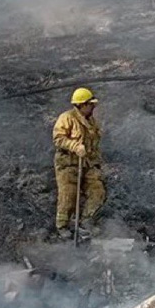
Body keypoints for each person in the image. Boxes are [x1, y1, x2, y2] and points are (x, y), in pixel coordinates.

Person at [52, 88, 105, 238]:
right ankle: (62, 226)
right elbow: (58, 138)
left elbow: (94, 145)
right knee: (68, 195)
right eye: (90, 104)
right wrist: (75, 146)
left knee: (98, 191)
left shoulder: (91, 121)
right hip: (68, 164)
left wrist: (97, 163)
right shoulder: (67, 118)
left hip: (87, 164)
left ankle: (85, 222)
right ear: (82, 105)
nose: (93, 107)